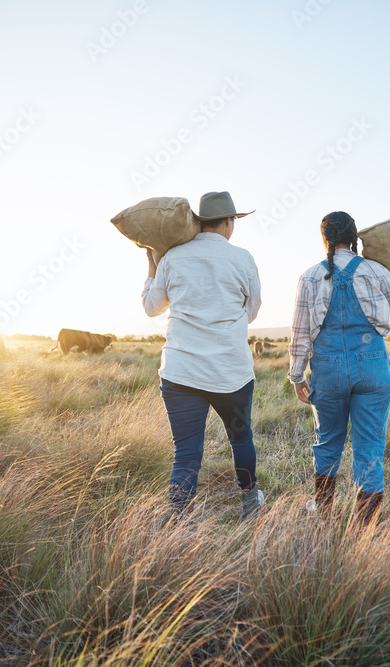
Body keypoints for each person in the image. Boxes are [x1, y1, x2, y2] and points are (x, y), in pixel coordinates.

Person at [288, 211, 390, 525]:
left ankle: (324, 516)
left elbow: (300, 331)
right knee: (369, 448)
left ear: (325, 241)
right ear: (354, 238)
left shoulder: (309, 276)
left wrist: (296, 374)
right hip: (372, 369)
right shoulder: (377, 271)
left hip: (328, 371)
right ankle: (365, 531)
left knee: (328, 442)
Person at [142, 191, 265, 521]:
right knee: (241, 439)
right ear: (229, 222)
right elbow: (251, 311)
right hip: (231, 374)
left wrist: (153, 263)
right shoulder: (243, 259)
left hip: (181, 373)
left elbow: (152, 308)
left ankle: (180, 524)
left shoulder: (172, 258)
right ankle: (250, 503)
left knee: (186, 453)